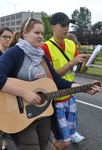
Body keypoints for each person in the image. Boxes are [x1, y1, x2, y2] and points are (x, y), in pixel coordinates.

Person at [0, 17, 100, 150]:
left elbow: (57, 81)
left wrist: (83, 88)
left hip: (43, 114)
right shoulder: (14, 53)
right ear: (25, 33)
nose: (41, 36)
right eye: (37, 33)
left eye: (42, 33)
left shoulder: (41, 56)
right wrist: (25, 94)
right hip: (21, 114)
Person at [40, 12, 92, 149]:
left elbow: (78, 71)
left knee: (65, 138)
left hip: (71, 95)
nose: (66, 28)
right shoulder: (45, 47)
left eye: (68, 25)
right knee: (64, 141)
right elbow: (50, 77)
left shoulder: (71, 44)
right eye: (63, 25)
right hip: (56, 98)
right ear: (52, 27)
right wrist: (71, 62)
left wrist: (87, 63)